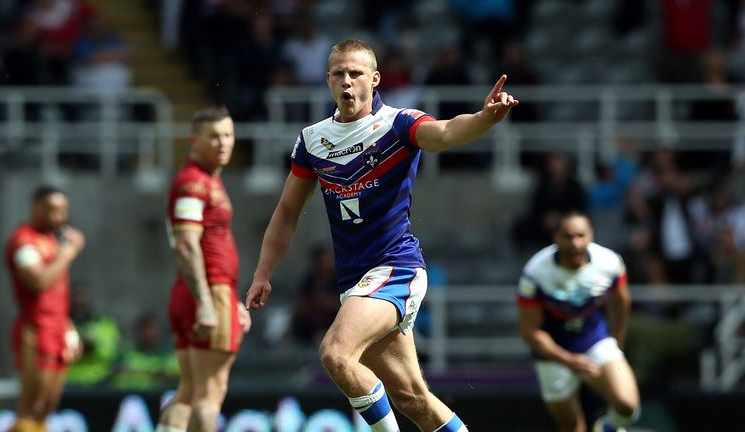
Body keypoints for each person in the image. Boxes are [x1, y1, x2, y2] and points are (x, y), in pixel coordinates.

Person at [246, 39, 518, 432]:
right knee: (413, 400)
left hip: (396, 270)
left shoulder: (399, 124)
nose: (347, 81)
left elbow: (444, 134)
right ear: (327, 81)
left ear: (374, 79)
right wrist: (262, 273)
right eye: (338, 73)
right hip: (355, 284)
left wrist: (484, 119)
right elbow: (287, 213)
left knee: (336, 354)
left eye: (355, 73)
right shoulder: (312, 140)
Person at [156, 107, 252, 432]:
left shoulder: (203, 179)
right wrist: (209, 303)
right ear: (194, 141)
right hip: (207, 292)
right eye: (214, 136)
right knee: (210, 395)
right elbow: (187, 245)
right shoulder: (194, 183)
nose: (223, 143)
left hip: (194, 290)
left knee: (188, 392)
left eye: (228, 135)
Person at [516, 212, 641, 432]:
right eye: (568, 236)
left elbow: (621, 300)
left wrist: (617, 341)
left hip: (594, 339)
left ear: (591, 235)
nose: (575, 244)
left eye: (581, 236)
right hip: (553, 352)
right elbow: (529, 331)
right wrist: (570, 361)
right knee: (572, 427)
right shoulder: (535, 273)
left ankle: (607, 428)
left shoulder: (609, 262)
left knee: (628, 406)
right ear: (556, 238)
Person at [4, 186, 86, 432]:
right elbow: (38, 281)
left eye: (64, 211)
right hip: (36, 330)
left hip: (57, 329)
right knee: (32, 405)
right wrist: (69, 253)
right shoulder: (23, 241)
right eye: (53, 210)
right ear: (37, 208)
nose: (60, 217)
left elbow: (57, 296)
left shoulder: (50, 241)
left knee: (47, 405)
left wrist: (69, 327)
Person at [112, 312, 179, 390]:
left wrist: (136, 373)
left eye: (152, 329)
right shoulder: (126, 354)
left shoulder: (168, 355)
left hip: (160, 394)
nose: (149, 333)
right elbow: (119, 373)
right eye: (146, 329)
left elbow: (172, 374)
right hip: (134, 394)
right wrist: (153, 374)